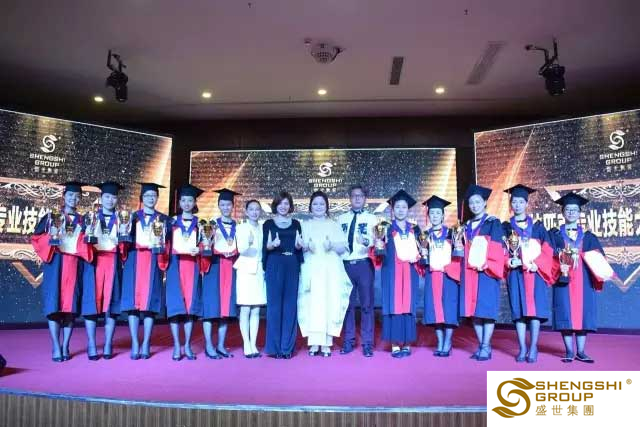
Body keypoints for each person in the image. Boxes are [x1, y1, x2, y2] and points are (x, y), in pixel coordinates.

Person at [549, 192, 615, 363]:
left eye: (574, 210)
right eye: (568, 209)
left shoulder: (588, 237)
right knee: (565, 312)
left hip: (583, 281)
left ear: (579, 213)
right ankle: (569, 351)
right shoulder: (555, 235)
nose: (571, 213)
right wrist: (558, 264)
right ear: (563, 212)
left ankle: (581, 351)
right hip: (563, 280)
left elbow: (599, 259)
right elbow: (547, 256)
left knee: (583, 314)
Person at [31, 181, 93, 362]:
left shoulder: (84, 220)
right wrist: (51, 236)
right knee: (54, 306)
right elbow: (36, 238)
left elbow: (88, 244)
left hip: (74, 266)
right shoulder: (52, 217)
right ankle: (56, 346)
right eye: (70, 195)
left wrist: (84, 240)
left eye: (77, 196)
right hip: (55, 265)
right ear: (64, 196)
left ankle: (66, 345)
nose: (74, 198)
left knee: (70, 308)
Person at [502, 184, 555, 363]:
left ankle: (533, 347)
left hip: (534, 273)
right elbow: (500, 250)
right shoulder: (505, 227)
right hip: (516, 274)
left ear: (526, 203)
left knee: (534, 311)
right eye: (514, 202)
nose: (517, 205)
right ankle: (522, 347)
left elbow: (547, 250)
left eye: (520, 202)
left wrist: (536, 264)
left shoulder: (538, 227)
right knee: (518, 311)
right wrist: (507, 261)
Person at [298, 191, 352, 357]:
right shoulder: (304, 225)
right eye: (315, 204)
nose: (319, 207)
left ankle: (327, 342)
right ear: (310, 206)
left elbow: (344, 248)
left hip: (330, 270)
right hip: (311, 268)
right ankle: (314, 342)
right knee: (311, 303)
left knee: (330, 302)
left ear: (327, 206)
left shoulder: (334, 224)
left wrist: (332, 246)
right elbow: (297, 246)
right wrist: (305, 246)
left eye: (322, 204)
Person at [120, 182, 170, 360]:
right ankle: (135, 342)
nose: (150, 198)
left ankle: (146, 342)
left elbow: (167, 244)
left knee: (150, 306)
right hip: (134, 261)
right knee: (133, 306)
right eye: (147, 195)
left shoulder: (164, 219)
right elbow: (124, 241)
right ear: (142, 198)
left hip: (153, 262)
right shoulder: (131, 217)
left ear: (157, 198)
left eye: (153, 195)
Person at [458, 184, 505, 362]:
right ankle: (483, 345)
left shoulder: (493, 223)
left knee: (486, 310)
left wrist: (487, 264)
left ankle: (485, 346)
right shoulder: (465, 226)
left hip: (486, 272)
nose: (475, 205)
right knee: (474, 312)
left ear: (485, 202)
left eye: (478, 202)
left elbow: (497, 248)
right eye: (472, 203)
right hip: (470, 273)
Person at [81, 181, 126, 360]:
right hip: (94, 262)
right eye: (107, 196)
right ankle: (92, 344)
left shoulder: (123, 218)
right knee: (92, 304)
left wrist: (122, 240)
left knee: (111, 306)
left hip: (113, 262)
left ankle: (108, 343)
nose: (110, 200)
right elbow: (81, 240)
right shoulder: (90, 217)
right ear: (101, 198)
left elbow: (126, 244)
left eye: (113, 197)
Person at [376, 190, 422, 358]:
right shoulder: (385, 228)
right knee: (394, 305)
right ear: (392, 209)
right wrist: (378, 244)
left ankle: (407, 343)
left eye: (404, 207)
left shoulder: (415, 229)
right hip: (391, 272)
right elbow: (378, 252)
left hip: (409, 273)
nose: (401, 210)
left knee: (408, 306)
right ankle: (395, 344)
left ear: (408, 209)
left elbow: (422, 251)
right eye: (397, 207)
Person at [166, 184, 207, 361]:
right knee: (175, 307)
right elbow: (164, 244)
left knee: (190, 309)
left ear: (195, 202)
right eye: (183, 200)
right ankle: (177, 345)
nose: (187, 203)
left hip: (192, 268)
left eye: (190, 200)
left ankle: (188, 345)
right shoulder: (171, 222)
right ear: (179, 202)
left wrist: (200, 249)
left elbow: (206, 244)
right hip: (175, 267)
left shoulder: (201, 224)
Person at [337, 184, 377, 357]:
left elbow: (377, 240)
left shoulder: (372, 219)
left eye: (360, 195)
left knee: (367, 305)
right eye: (354, 195)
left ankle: (367, 343)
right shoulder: (341, 219)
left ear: (365, 198)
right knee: (347, 305)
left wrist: (366, 241)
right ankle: (348, 341)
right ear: (350, 198)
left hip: (364, 264)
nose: (357, 198)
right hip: (345, 265)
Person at [262, 191, 304, 359]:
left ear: (290, 206)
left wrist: (299, 246)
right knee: (274, 307)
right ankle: (274, 348)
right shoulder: (268, 223)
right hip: (274, 264)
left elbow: (298, 246)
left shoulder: (296, 224)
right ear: (275, 205)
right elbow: (265, 247)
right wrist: (272, 245)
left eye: (286, 203)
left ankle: (287, 348)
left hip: (291, 264)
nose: (283, 206)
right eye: (280, 203)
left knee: (290, 306)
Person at [201, 188, 241, 359]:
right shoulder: (210, 225)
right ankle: (209, 345)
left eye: (228, 204)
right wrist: (208, 245)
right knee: (211, 307)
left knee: (226, 309)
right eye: (222, 204)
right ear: (218, 205)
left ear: (233, 206)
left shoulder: (238, 226)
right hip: (214, 267)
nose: (225, 207)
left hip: (230, 267)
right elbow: (204, 246)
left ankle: (221, 345)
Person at [421, 195, 460, 358]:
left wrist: (449, 269)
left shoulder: (452, 233)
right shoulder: (424, 235)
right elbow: (422, 257)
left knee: (449, 309)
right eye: (432, 213)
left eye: (438, 213)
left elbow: (459, 256)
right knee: (434, 309)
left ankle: (447, 342)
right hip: (432, 276)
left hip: (448, 276)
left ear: (443, 215)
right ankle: (440, 341)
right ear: (428, 215)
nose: (435, 216)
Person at [234, 199, 267, 358]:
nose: (254, 212)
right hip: (246, 270)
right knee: (245, 308)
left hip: (259, 270)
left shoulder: (262, 228)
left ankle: (253, 344)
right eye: (251, 209)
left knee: (256, 309)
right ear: (246, 212)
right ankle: (246, 343)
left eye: (257, 209)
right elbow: (242, 249)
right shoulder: (241, 228)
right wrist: (249, 244)